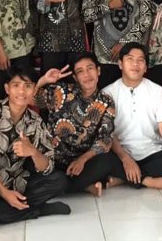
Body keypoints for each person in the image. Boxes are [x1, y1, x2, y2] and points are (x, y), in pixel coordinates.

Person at [0, 67, 72, 223]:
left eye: (27, 86)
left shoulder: (35, 120)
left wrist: (33, 152)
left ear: (34, 90)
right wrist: (4, 193)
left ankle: (11, 209)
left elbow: (47, 166)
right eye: (16, 85)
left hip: (18, 182)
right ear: (7, 88)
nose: (22, 91)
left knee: (59, 180)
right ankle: (38, 210)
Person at [102, 43, 162, 190]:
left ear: (146, 67)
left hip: (151, 155)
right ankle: (145, 179)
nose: (135, 64)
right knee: (100, 161)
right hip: (119, 155)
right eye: (130, 59)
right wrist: (126, 160)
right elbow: (107, 134)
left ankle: (129, 179)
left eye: (140, 60)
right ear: (120, 64)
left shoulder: (158, 91)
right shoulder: (107, 93)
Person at [35, 55, 117, 196]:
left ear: (98, 71)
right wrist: (43, 81)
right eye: (80, 71)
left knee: (108, 160)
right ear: (75, 77)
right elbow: (31, 99)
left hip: (82, 162)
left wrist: (82, 160)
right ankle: (80, 186)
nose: (86, 75)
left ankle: (64, 185)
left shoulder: (106, 101)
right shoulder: (62, 91)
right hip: (53, 158)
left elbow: (104, 139)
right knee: (34, 164)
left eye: (90, 68)